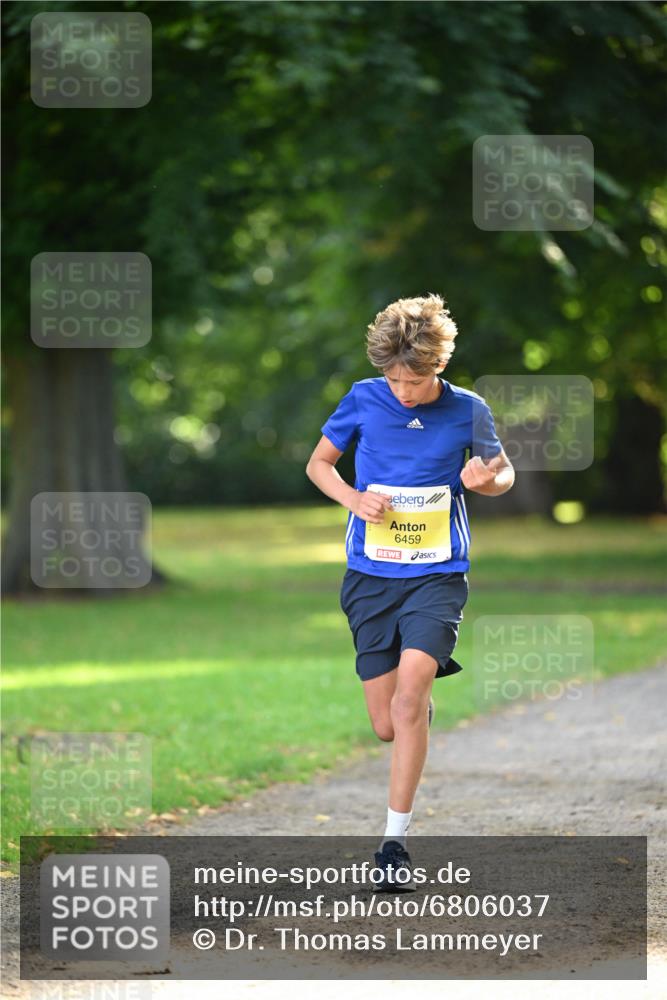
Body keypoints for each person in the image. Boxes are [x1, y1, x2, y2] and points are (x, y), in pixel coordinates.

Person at [305, 293, 515, 892]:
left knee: (410, 693)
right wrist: (353, 498)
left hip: (437, 574)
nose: (402, 389)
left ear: (438, 366)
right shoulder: (362, 399)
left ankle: (393, 843)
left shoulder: (469, 410)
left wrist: (488, 478)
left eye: (414, 379)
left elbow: (502, 474)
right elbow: (320, 464)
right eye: (393, 377)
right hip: (370, 577)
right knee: (388, 723)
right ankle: (412, 707)